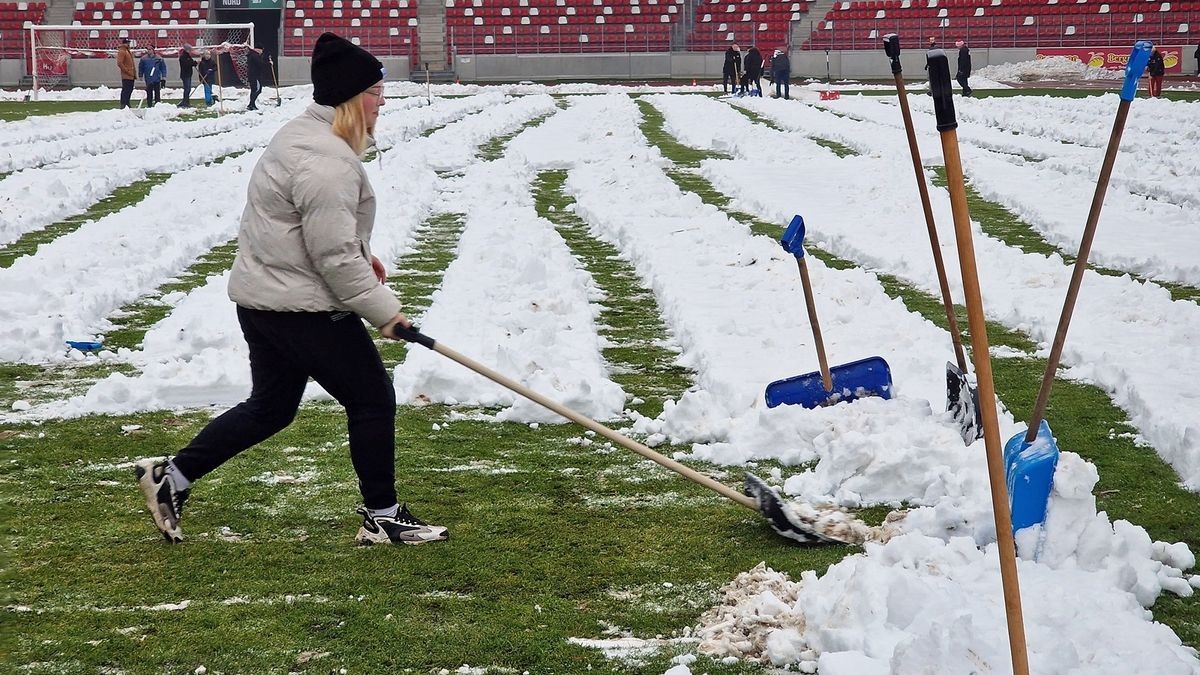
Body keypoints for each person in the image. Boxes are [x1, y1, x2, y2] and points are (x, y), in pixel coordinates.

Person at [133, 32, 448, 547]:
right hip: (300, 308)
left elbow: (305, 228)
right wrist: (384, 311)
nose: (383, 101)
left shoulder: (302, 135)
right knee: (371, 397)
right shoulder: (326, 160)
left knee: (272, 407)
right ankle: (384, 515)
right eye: (375, 91)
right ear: (350, 99)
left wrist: (356, 250)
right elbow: (331, 256)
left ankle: (173, 477)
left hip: (265, 300)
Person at [116, 38, 135, 109]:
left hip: (130, 74)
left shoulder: (127, 51)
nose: (128, 44)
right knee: (126, 89)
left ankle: (127, 102)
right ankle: (123, 103)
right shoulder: (122, 51)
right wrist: (126, 70)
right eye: (127, 43)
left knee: (129, 89)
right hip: (127, 75)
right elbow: (119, 63)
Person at [246, 45, 266, 110]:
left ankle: (251, 104)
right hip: (255, 76)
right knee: (258, 90)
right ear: (258, 49)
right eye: (261, 50)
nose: (262, 52)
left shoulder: (251, 55)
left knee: (254, 90)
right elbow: (260, 64)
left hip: (253, 75)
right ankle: (252, 104)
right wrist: (268, 63)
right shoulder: (255, 56)